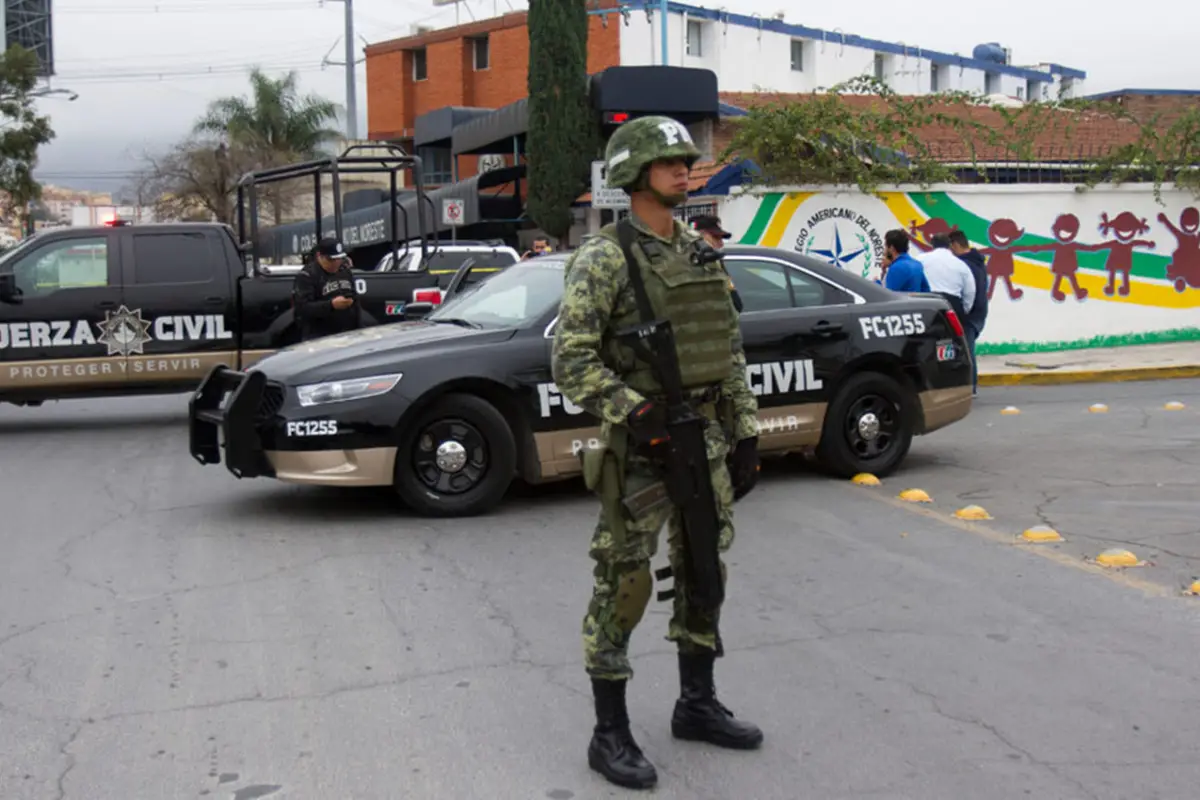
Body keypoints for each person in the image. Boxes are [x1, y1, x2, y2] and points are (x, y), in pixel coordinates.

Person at [551, 114, 764, 791]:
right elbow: (570, 360)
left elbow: (726, 350)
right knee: (625, 582)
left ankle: (695, 704)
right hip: (643, 447)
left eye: (685, 161)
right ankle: (608, 732)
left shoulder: (700, 252)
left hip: (702, 439)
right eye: (670, 162)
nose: (685, 170)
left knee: (705, 566)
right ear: (636, 173)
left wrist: (746, 429)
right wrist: (633, 412)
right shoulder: (606, 256)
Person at [292, 236, 361, 341]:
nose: (336, 263)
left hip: (346, 334)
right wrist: (331, 305)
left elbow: (355, 302)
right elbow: (303, 308)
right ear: (320, 256)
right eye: (331, 260)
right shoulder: (307, 275)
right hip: (319, 336)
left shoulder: (344, 271)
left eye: (339, 258)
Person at [948, 230, 989, 395]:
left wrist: (963, 311)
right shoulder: (977, 261)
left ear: (955, 245)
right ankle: (969, 385)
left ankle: (970, 386)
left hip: (970, 313)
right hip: (979, 311)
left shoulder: (965, 265)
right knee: (967, 348)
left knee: (966, 350)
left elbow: (969, 292)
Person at [916, 232, 975, 322]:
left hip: (926, 302)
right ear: (949, 245)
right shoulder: (961, 265)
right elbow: (970, 292)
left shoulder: (920, 259)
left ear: (932, 244)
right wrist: (962, 311)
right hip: (951, 305)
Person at [882, 228, 931, 293]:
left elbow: (887, 295)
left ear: (891, 248)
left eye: (885, 246)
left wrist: (876, 283)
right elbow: (926, 290)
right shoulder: (917, 264)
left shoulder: (896, 268)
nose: (884, 251)